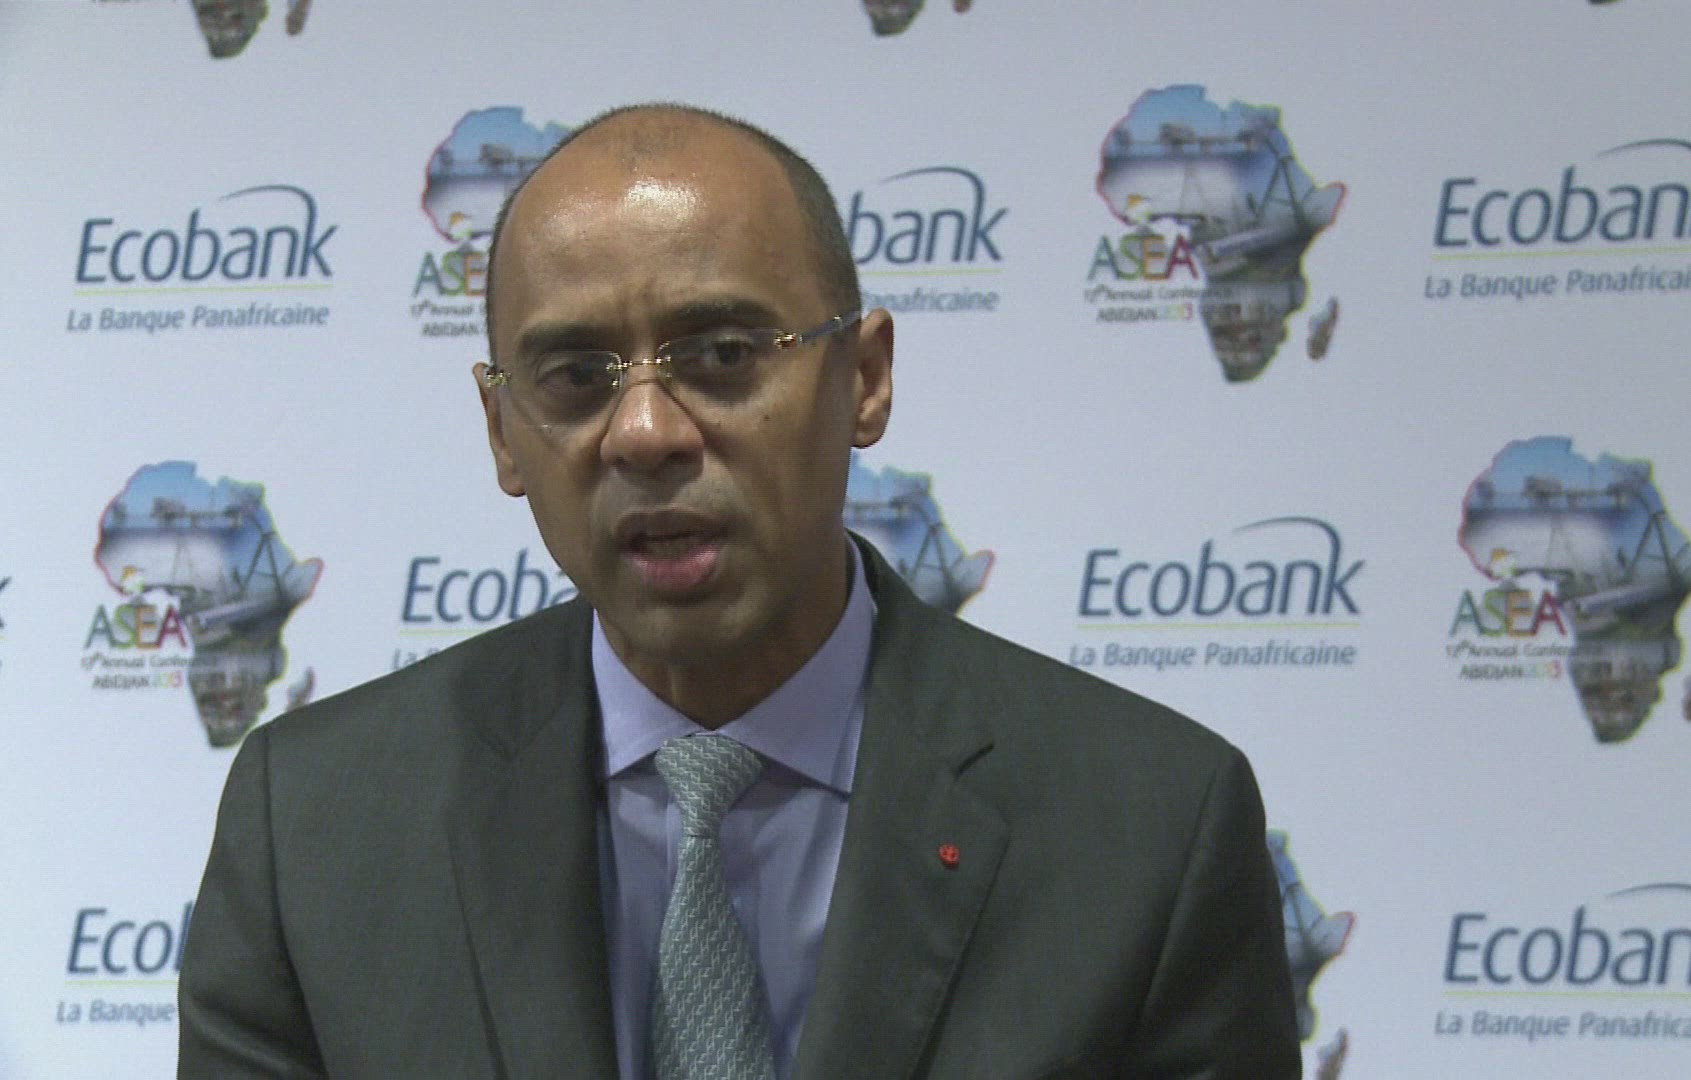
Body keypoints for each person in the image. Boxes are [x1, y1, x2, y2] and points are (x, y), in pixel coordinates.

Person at [178, 103, 1301, 1079]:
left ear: (865, 379)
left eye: (721, 355)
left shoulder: (1152, 830)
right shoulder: (315, 830)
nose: (646, 432)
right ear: (503, 432)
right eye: (575, 377)